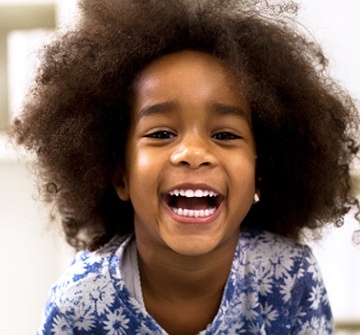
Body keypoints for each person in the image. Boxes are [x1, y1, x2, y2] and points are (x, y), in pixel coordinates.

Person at [10, 0, 360, 334]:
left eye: (224, 134)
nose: (193, 152)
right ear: (120, 175)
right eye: (161, 133)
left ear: (261, 173)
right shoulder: (79, 303)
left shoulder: (290, 277)